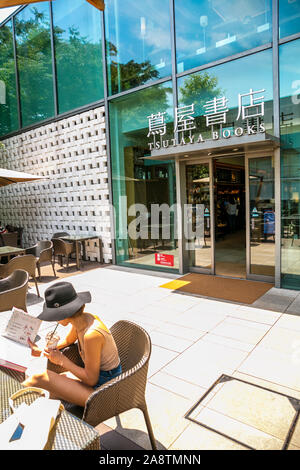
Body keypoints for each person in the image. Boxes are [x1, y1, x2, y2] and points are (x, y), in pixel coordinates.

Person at [22, 281, 122, 407]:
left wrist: (62, 361)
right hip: (100, 380)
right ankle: (50, 417)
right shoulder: (82, 321)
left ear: (64, 314)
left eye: (54, 315)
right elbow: (68, 341)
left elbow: (91, 380)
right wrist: (43, 350)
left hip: (106, 391)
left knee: (40, 378)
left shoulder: (91, 335)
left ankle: (7, 407)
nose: (54, 319)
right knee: (53, 385)